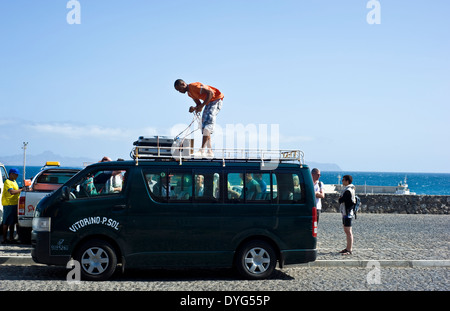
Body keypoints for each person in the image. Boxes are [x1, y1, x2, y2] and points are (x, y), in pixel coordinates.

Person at [174, 79, 224, 157]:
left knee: (208, 125)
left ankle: (202, 150)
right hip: (209, 102)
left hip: (216, 100)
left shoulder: (193, 86)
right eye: (178, 91)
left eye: (179, 89)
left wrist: (201, 106)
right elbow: (198, 104)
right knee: (204, 127)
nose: (180, 91)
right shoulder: (190, 94)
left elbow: (210, 93)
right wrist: (194, 108)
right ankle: (209, 151)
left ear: (183, 84)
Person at [1, 168, 23, 244]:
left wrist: (21, 189)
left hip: (14, 204)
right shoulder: (7, 182)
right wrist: (21, 190)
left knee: (12, 222)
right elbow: (12, 192)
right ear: (11, 174)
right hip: (8, 204)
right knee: (6, 222)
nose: (17, 176)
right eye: (16, 174)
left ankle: (11, 238)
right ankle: (4, 239)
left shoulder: (14, 181)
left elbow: (16, 190)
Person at [338, 175, 356, 255]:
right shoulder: (349, 189)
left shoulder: (348, 190)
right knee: (347, 230)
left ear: (347, 181)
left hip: (347, 213)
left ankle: (349, 249)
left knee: (348, 231)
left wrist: (340, 198)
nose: (342, 181)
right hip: (346, 212)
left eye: (343, 180)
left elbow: (341, 200)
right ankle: (347, 248)